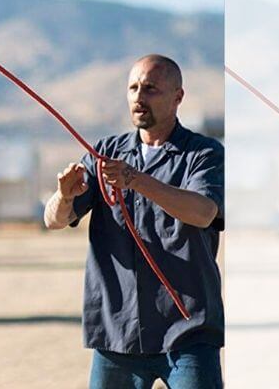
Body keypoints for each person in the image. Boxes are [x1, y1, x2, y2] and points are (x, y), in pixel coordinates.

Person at [45, 54, 225, 389]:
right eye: (133, 88)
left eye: (151, 89)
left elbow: (203, 212)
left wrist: (136, 180)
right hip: (118, 333)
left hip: (187, 333)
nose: (139, 97)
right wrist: (65, 197)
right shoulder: (104, 154)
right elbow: (54, 220)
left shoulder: (204, 154)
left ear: (178, 97)